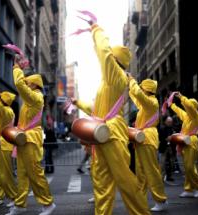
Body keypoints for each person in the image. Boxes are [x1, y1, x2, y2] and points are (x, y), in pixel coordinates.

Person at [73, 15, 151, 215]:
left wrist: (96, 28)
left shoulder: (116, 74)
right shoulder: (108, 81)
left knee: (125, 181)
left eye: (111, 58)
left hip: (112, 133)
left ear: (116, 60)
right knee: (102, 182)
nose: (107, 60)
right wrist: (77, 103)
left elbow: (103, 53)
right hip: (101, 132)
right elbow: (95, 109)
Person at [5, 57, 56, 215]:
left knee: (34, 172)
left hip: (31, 140)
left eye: (28, 82)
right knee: (22, 173)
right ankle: (20, 204)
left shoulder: (36, 98)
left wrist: (16, 68)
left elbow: (19, 84)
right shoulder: (29, 101)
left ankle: (48, 204)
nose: (26, 83)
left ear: (34, 85)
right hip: (23, 139)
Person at [127, 76, 168, 211]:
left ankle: (160, 200)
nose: (140, 89)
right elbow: (135, 96)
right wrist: (130, 85)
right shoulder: (147, 104)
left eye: (142, 88)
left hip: (147, 138)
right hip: (141, 139)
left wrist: (132, 81)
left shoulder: (152, 103)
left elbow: (137, 94)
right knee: (141, 172)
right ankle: (141, 199)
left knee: (151, 171)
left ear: (146, 90)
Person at [170, 92, 198, 198]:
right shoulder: (187, 117)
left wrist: (182, 97)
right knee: (187, 168)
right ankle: (189, 189)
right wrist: (172, 105)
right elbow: (179, 111)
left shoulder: (196, 116)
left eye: (189, 106)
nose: (187, 108)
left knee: (190, 167)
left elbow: (189, 106)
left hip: (192, 141)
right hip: (184, 141)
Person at [158, 116, 177, 184]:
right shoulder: (162, 129)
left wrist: (173, 138)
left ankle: (169, 176)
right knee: (162, 163)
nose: (170, 123)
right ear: (165, 122)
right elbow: (160, 139)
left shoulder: (173, 129)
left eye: (171, 122)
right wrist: (166, 139)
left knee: (171, 162)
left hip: (171, 148)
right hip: (164, 147)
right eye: (169, 122)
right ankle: (161, 177)